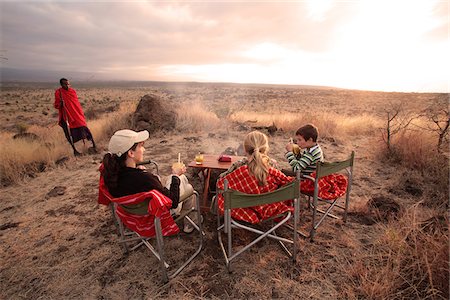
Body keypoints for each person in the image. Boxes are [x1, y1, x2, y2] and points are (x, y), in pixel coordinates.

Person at [101, 129, 198, 233]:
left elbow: (132, 183)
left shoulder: (110, 175)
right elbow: (173, 201)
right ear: (131, 153)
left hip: (131, 216)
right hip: (154, 217)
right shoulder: (145, 179)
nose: (144, 150)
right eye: (141, 146)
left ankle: (189, 220)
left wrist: (137, 171)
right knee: (187, 186)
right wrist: (175, 176)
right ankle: (191, 223)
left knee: (170, 179)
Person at [216, 131, 294, 223]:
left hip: (243, 211)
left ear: (245, 149)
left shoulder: (238, 166)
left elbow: (221, 183)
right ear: (265, 149)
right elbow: (284, 184)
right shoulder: (272, 167)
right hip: (270, 210)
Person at [54, 78, 96, 156]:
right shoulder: (58, 92)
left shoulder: (72, 91)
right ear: (61, 85)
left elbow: (76, 103)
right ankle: (75, 151)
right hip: (66, 116)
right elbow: (56, 105)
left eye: (68, 84)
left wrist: (80, 114)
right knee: (69, 135)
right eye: (65, 84)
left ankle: (92, 146)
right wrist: (61, 104)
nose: (67, 86)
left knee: (84, 129)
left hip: (76, 114)